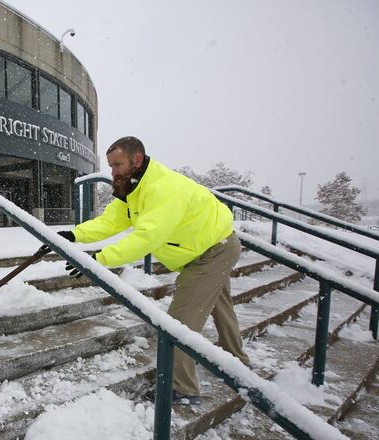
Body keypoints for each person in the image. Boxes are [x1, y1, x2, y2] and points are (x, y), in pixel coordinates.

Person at [57, 136, 250, 405]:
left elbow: (147, 237)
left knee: (178, 325)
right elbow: (112, 221)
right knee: (220, 305)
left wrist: (99, 259)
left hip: (211, 252)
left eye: (117, 165)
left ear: (137, 159)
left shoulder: (163, 188)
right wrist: (76, 235)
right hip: (205, 247)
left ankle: (182, 389)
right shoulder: (132, 185)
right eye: (111, 166)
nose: (113, 172)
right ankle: (237, 362)